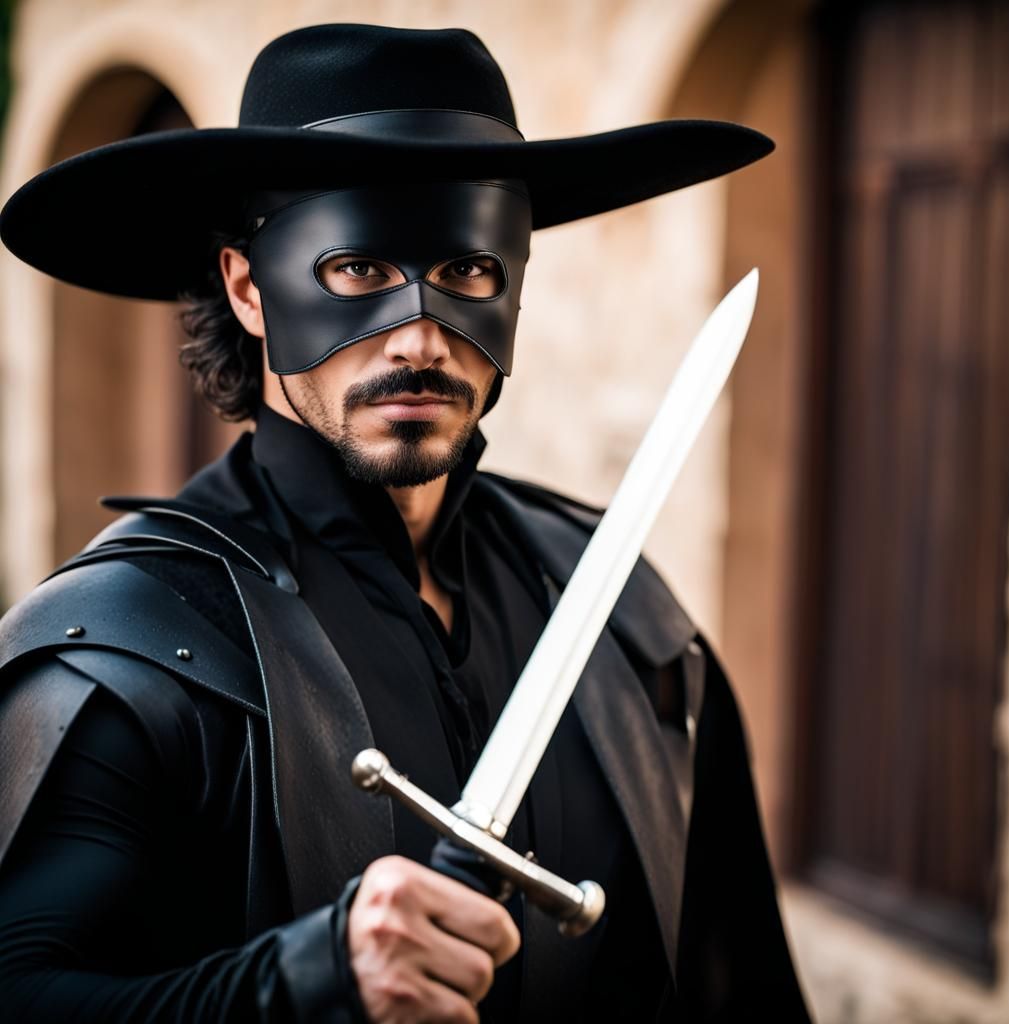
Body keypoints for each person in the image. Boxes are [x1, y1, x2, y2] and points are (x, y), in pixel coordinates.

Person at [0, 22, 810, 1024]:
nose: (421, 339)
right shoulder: (138, 643)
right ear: (249, 289)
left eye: (469, 272)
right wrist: (301, 983)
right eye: (356, 270)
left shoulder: (620, 611)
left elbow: (741, 986)